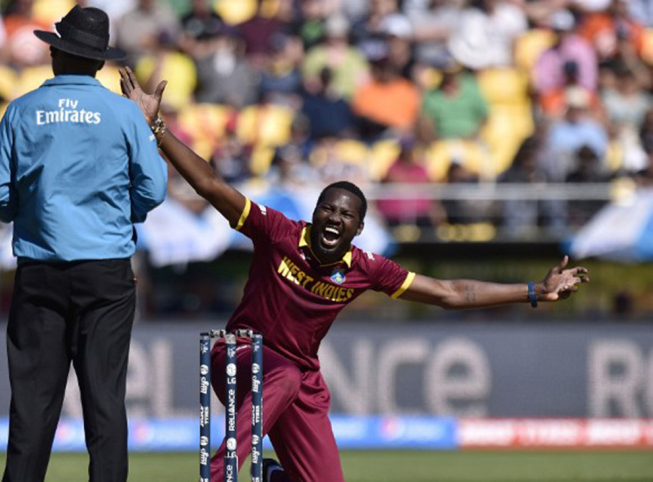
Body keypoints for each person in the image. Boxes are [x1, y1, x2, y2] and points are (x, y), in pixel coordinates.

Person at [120, 67, 590, 482]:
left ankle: (277, 476)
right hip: (241, 356)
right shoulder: (279, 233)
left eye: (345, 216)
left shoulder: (366, 269)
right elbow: (211, 185)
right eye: (327, 209)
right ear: (315, 212)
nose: (333, 219)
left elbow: (450, 292)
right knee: (279, 371)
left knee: (298, 398)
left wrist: (534, 290)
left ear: (358, 228)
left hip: (299, 382)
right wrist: (157, 127)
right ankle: (223, 470)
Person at [0, 7, 167, 482]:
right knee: (105, 402)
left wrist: (29, 212)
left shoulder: (22, 110)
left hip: (40, 271)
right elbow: (153, 190)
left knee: (31, 408)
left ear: (54, 52)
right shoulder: (125, 114)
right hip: (105, 270)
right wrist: (120, 215)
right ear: (100, 63)